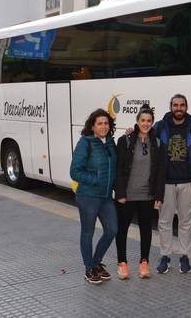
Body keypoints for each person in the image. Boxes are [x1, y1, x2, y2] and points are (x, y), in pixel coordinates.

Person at [154, 94, 191, 274]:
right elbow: (147, 143)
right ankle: (165, 256)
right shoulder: (160, 126)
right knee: (165, 221)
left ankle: (184, 256)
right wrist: (132, 132)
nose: (178, 108)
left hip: (188, 183)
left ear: (186, 107)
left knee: (186, 222)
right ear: (170, 106)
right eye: (175, 105)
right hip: (166, 183)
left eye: (182, 105)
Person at [114, 105, 165, 280]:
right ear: (137, 121)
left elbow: (160, 172)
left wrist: (159, 195)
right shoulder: (125, 140)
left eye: (149, 121)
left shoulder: (157, 143)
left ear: (152, 123)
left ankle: (144, 262)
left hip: (147, 195)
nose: (145, 123)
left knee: (146, 229)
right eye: (142, 120)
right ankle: (122, 263)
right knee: (122, 229)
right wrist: (119, 193)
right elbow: (118, 169)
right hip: (126, 196)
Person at [70, 108, 118, 285]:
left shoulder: (110, 143)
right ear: (92, 126)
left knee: (112, 229)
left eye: (106, 123)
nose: (103, 126)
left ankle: (96, 262)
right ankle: (88, 268)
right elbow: (74, 171)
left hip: (105, 197)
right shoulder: (85, 143)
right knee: (88, 232)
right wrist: (96, 178)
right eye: (100, 123)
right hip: (88, 196)